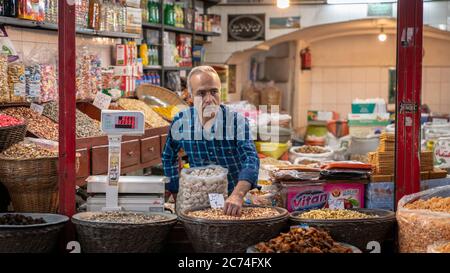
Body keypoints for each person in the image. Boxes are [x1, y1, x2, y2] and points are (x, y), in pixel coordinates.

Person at [162, 66, 260, 217]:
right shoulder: (181, 121)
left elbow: (251, 158)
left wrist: (238, 195)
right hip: (197, 202)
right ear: (190, 96)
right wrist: (175, 190)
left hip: (233, 201)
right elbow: (168, 156)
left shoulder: (236, 121)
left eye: (214, 92)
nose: (209, 99)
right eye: (201, 93)